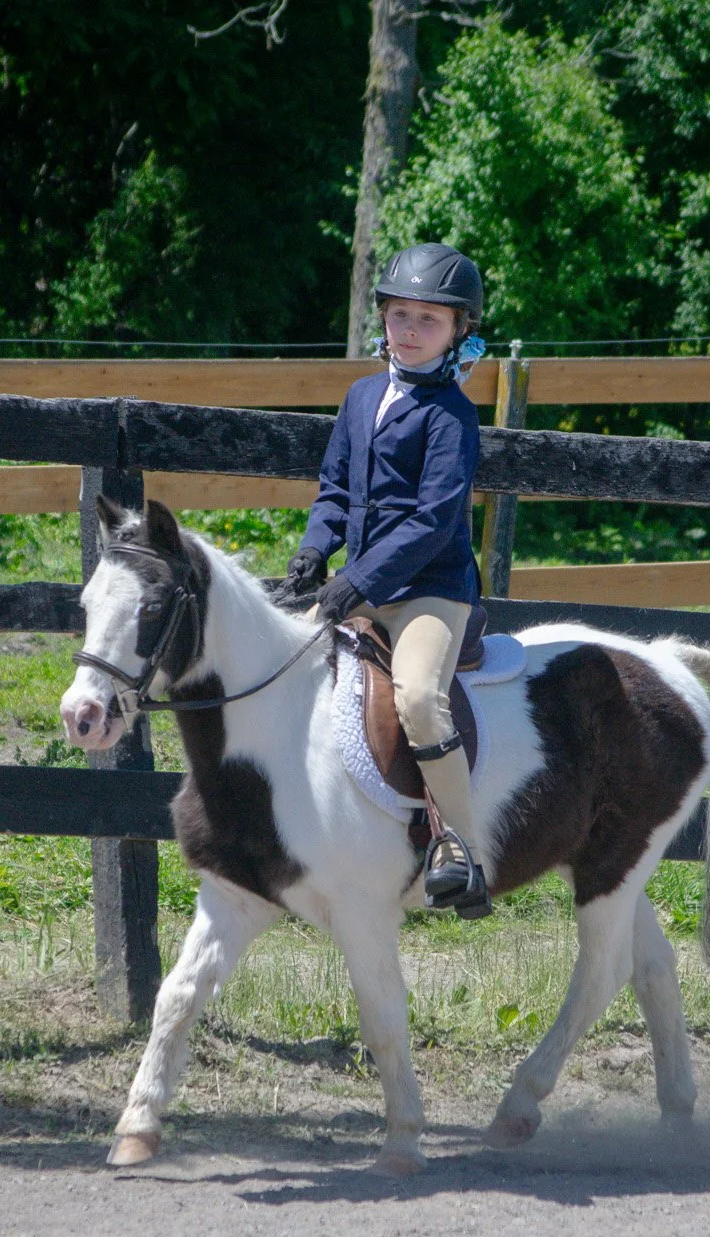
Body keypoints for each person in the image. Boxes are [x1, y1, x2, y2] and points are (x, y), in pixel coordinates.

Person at [280, 242, 492, 918]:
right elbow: (335, 489)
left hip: (430, 590)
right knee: (280, 663)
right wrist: (315, 552)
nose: (408, 330)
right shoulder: (361, 395)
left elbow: (432, 523)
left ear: (459, 330)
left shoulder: (452, 416)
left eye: (428, 321)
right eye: (399, 315)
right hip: (361, 582)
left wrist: (354, 582)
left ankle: (462, 847)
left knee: (422, 697)